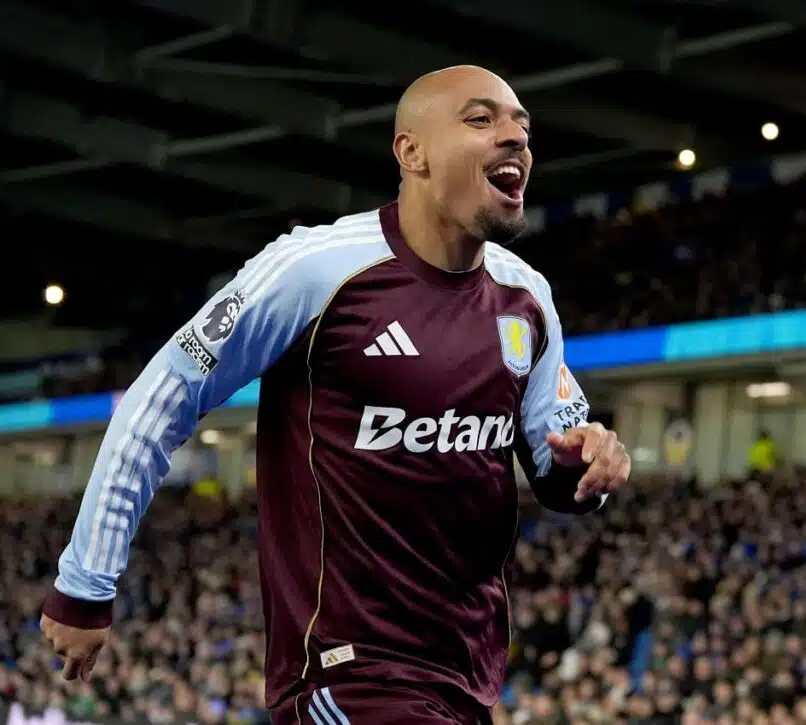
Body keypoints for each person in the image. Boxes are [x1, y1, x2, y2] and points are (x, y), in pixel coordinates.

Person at [38, 65, 631, 725]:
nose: (515, 138)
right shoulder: (315, 269)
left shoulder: (528, 297)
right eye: (482, 119)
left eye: (523, 127)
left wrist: (591, 462)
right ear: (412, 152)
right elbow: (162, 396)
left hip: (468, 674)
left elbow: (558, 469)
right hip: (345, 671)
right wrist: (86, 581)